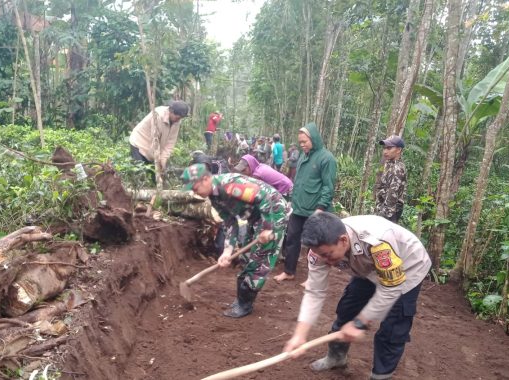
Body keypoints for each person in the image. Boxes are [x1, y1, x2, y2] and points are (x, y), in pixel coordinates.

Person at [283, 212, 431, 380]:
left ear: (343, 240)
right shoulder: (319, 251)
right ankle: (336, 357)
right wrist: (299, 335)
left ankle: (380, 376)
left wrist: (360, 322)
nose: (324, 260)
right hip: (367, 269)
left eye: (327, 255)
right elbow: (315, 292)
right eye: (319, 254)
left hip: (407, 267)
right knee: (347, 310)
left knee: (393, 328)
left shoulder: (378, 243)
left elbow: (390, 288)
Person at [181, 164, 289, 318]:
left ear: (205, 179)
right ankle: (242, 298)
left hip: (274, 212)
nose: (194, 192)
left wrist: (267, 227)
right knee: (245, 256)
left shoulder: (230, 186)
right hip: (255, 216)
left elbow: (264, 198)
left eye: (195, 188)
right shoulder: (214, 196)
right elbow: (229, 222)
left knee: (260, 258)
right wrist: (227, 251)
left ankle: (245, 304)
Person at [273, 123, 336, 283]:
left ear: (313, 139)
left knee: (316, 245)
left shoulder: (326, 158)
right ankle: (289, 271)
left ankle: (314, 279)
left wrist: (321, 208)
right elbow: (298, 181)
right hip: (298, 208)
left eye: (304, 142)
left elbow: (328, 186)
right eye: (300, 142)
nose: (302, 145)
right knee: (292, 239)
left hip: (315, 210)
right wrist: (291, 202)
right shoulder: (303, 156)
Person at [129, 101, 189, 177]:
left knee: (155, 177)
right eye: (177, 117)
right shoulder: (158, 116)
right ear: (171, 111)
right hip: (139, 143)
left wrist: (163, 160)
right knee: (140, 173)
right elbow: (155, 140)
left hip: (152, 149)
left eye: (180, 118)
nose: (178, 120)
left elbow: (170, 143)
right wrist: (157, 160)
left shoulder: (177, 121)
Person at [374, 135, 407, 224]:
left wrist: (383, 216)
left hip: (390, 212)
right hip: (383, 207)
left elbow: (392, 194)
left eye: (389, 148)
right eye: (384, 148)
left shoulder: (398, 168)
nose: (385, 151)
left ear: (398, 150)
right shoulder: (389, 164)